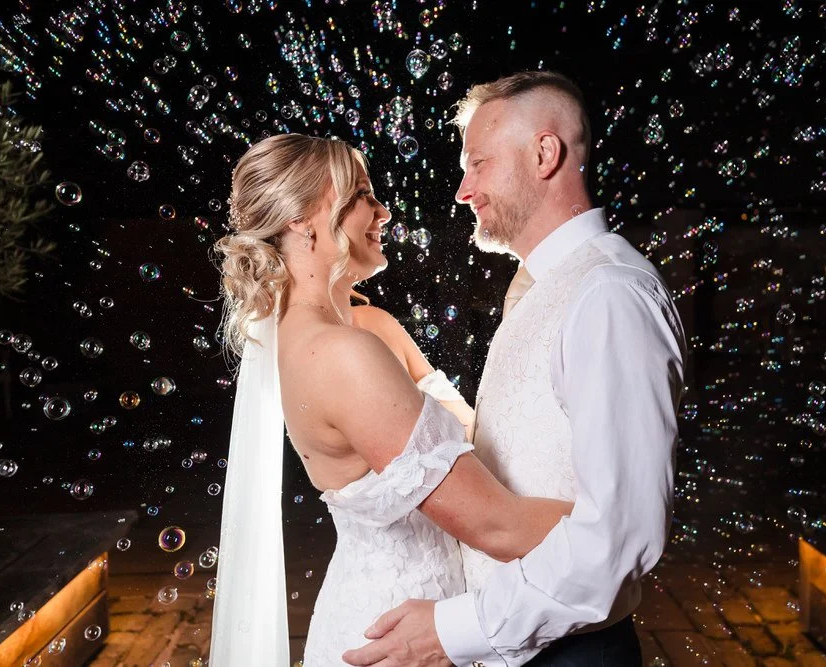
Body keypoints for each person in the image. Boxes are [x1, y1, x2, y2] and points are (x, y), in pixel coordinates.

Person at [343, 71, 687, 667]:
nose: (463, 191)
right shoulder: (548, 285)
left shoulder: (608, 295)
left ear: (544, 154)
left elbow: (622, 535)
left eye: (478, 164)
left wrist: (456, 630)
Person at [208, 133, 574, 666]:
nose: (382, 211)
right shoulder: (340, 356)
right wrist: (620, 525)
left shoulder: (368, 326)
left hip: (437, 615)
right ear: (301, 219)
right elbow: (497, 524)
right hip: (397, 632)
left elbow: (475, 434)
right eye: (361, 195)